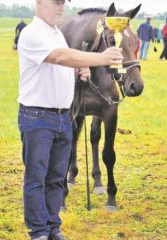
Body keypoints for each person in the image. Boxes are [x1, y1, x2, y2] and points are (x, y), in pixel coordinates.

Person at [17, 0, 123, 240]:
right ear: (40, 3)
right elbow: (58, 57)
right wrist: (100, 58)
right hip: (38, 116)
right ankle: (39, 232)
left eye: (62, 3)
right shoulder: (32, 33)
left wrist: (78, 70)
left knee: (56, 177)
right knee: (37, 178)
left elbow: (63, 63)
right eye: (55, 3)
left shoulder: (56, 34)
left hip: (63, 116)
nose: (60, 7)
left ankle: (53, 227)